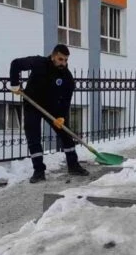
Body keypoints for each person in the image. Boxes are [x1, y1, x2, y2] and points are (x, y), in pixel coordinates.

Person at [8, 44, 89, 183]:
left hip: (52, 108)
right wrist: (15, 84)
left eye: (65, 60)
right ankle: (39, 171)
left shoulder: (66, 77)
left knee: (65, 133)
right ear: (53, 56)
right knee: (33, 137)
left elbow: (66, 100)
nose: (63, 63)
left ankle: (73, 165)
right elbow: (15, 64)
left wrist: (62, 117)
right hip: (32, 104)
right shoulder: (38, 62)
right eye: (60, 59)